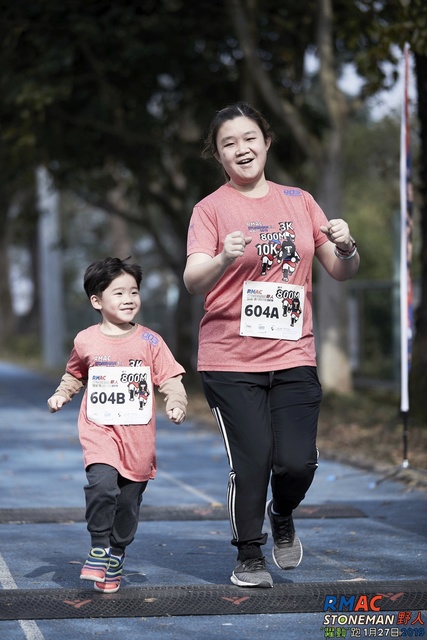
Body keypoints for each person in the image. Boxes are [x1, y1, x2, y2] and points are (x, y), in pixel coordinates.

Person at [183, 102, 360, 588]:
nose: (241, 149)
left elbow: (341, 270)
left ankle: (282, 512)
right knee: (253, 458)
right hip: (229, 359)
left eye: (248, 138)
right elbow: (193, 279)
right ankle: (248, 554)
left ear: (266, 141)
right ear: (218, 156)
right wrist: (222, 257)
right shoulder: (211, 209)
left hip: (292, 354)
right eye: (228, 144)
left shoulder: (300, 202)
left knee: (298, 462)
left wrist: (347, 245)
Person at [47, 257, 187, 593]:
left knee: (127, 502)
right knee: (101, 484)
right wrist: (61, 394)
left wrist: (177, 401)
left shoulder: (150, 341)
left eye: (134, 292)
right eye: (119, 292)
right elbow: (75, 373)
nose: (129, 299)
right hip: (99, 430)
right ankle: (98, 548)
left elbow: (170, 377)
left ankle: (117, 551)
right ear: (97, 301)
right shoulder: (86, 340)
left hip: (138, 437)